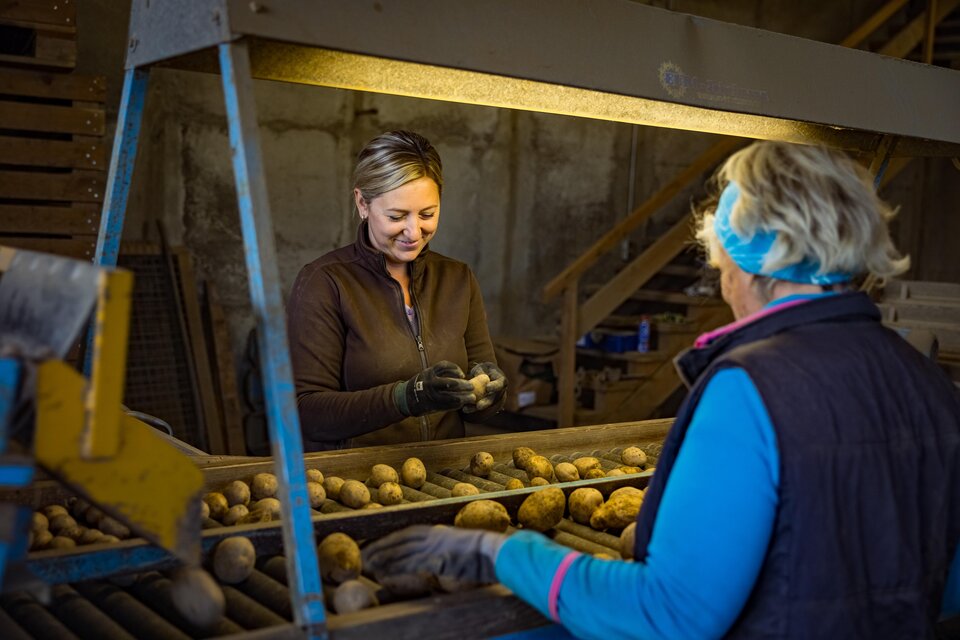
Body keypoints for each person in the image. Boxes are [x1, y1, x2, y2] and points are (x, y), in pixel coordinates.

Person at [363, 141, 960, 638]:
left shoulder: (750, 390)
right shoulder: (926, 381)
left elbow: (672, 612)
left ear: (741, 262)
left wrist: (496, 553)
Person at [287, 131, 506, 451]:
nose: (414, 231)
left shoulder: (457, 279)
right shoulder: (326, 283)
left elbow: (481, 393)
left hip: (444, 478)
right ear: (363, 203)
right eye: (397, 216)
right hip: (359, 483)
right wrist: (407, 397)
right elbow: (306, 413)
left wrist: (490, 395)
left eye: (427, 214)